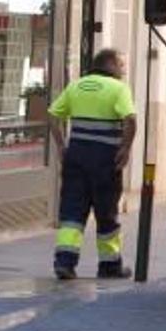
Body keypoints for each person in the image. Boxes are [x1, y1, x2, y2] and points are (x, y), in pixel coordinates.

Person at [47, 49, 137, 280]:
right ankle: (109, 266)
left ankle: (64, 263)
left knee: (72, 212)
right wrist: (125, 149)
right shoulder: (118, 89)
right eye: (122, 65)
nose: (124, 70)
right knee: (107, 213)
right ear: (112, 65)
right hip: (105, 159)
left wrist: (60, 147)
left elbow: (52, 116)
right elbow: (130, 119)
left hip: (76, 155)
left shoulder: (76, 86)